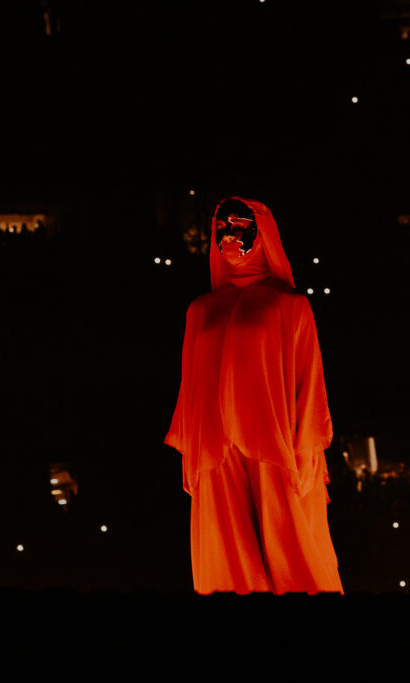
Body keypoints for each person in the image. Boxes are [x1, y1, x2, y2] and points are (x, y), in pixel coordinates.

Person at [165, 197, 342, 594]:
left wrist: (307, 450)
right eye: (221, 227)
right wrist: (192, 454)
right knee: (226, 559)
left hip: (274, 444)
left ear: (263, 232)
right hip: (214, 449)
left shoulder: (289, 305)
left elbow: (309, 381)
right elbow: (190, 385)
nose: (228, 234)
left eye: (240, 225)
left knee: (290, 552)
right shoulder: (201, 310)